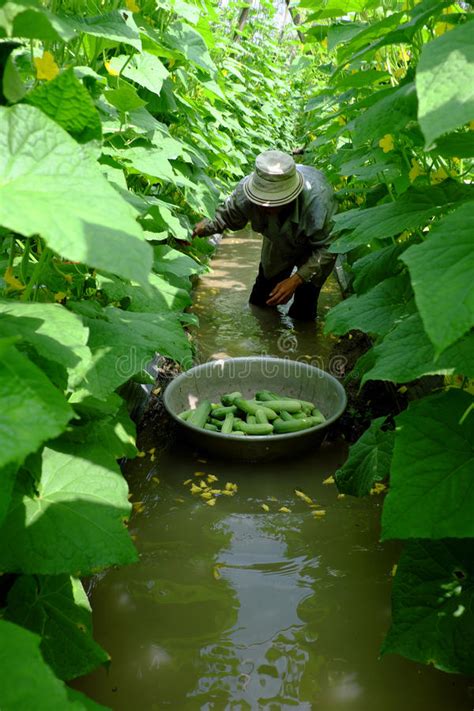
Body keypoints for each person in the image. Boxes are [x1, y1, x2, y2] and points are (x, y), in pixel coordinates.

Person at [192, 150, 337, 321]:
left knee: (304, 309)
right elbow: (224, 216)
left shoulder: (319, 203)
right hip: (278, 240)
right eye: (261, 202)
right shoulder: (245, 194)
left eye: (274, 203)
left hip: (316, 247)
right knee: (261, 300)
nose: (266, 208)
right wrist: (194, 230)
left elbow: (329, 247)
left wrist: (297, 279)